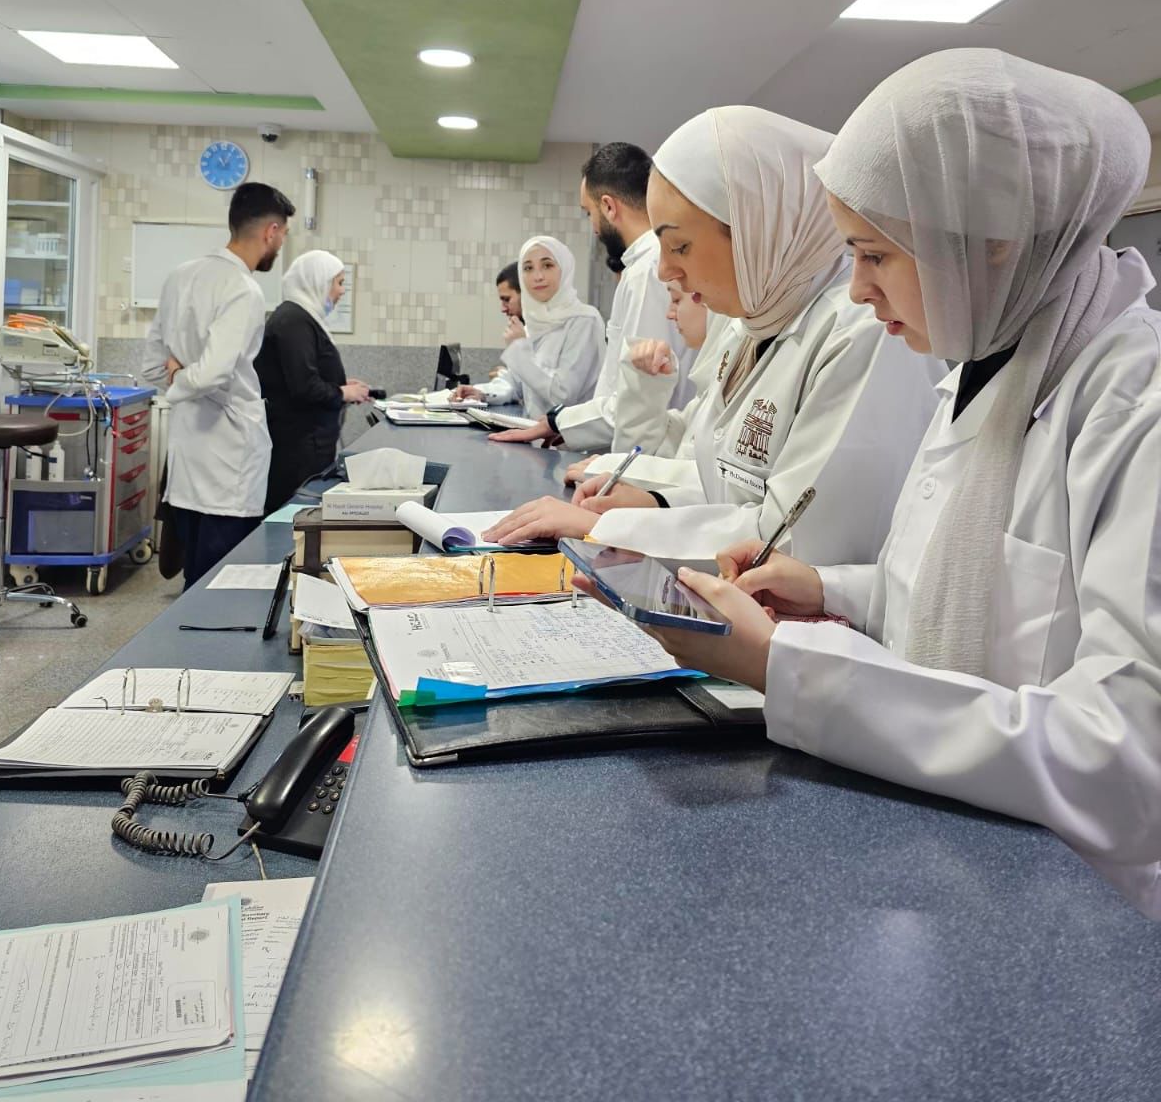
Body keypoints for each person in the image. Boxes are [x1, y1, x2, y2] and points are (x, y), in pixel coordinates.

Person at [629, 51, 1161, 916]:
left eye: (874, 255)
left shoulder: (1136, 409)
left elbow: (1127, 762)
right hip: (953, 853)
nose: (856, 289)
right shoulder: (980, 372)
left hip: (1080, 912)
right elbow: (949, 601)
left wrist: (787, 668)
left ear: (992, 244)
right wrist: (829, 590)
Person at [484, 106, 939, 562]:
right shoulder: (753, 328)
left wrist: (613, 526)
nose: (666, 270)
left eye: (679, 246)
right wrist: (653, 501)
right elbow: (723, 480)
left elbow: (796, 540)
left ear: (757, 229)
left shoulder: (864, 331)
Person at [490, 143, 691, 452]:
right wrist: (560, 424)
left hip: (645, 454)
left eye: (589, 212)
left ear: (609, 207)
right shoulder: (641, 266)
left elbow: (639, 392)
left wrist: (558, 423)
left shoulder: (647, 271)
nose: (593, 226)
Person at [143, 182, 294, 588]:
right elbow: (213, 373)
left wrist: (178, 378)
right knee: (224, 589)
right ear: (271, 232)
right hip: (228, 466)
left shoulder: (180, 276)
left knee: (196, 582)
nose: (280, 244)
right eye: (283, 235)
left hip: (188, 461)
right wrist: (185, 379)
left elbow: (151, 366)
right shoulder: (243, 289)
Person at [565, 282, 728, 494]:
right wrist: (645, 385)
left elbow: (720, 487)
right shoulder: (711, 385)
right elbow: (662, 450)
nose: (669, 314)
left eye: (677, 300)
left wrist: (619, 470)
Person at [256, 249, 371, 514]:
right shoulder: (294, 321)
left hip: (307, 444)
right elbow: (303, 387)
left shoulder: (302, 317)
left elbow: (302, 374)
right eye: (338, 283)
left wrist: (341, 385)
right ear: (317, 282)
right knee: (293, 517)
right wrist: (342, 392)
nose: (342, 291)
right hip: (297, 448)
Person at [451, 236, 605, 420]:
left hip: (571, 436)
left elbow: (563, 395)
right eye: (528, 268)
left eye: (547, 265)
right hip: (535, 431)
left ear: (564, 269)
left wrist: (520, 349)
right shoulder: (535, 321)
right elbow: (518, 383)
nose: (538, 276)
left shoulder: (583, 320)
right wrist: (482, 393)